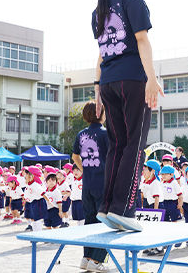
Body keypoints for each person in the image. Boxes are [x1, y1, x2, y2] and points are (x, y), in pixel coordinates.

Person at [92, 0, 163, 232]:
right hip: (132, 80)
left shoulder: (99, 7)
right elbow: (142, 40)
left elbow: (100, 54)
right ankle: (124, 210)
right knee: (134, 145)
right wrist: (152, 79)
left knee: (117, 146)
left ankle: (108, 207)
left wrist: (97, 90)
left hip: (108, 81)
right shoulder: (132, 0)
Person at [71, 101, 109, 272]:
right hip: (103, 184)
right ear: (100, 113)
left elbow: (74, 156)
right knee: (105, 222)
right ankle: (97, 260)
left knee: (90, 221)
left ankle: (86, 258)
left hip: (87, 184)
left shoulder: (81, 134)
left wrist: (85, 170)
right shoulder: (105, 134)